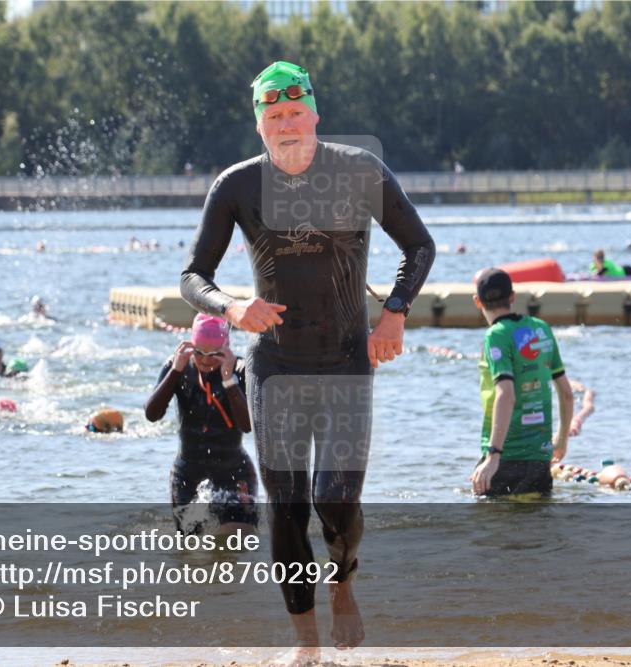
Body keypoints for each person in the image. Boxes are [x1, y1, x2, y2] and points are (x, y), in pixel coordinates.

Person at [180, 60, 435, 660]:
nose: (287, 124)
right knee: (288, 508)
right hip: (275, 365)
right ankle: (305, 644)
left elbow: (418, 244)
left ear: (315, 114)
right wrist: (231, 306)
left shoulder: (358, 169)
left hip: (346, 360)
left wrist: (395, 311)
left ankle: (343, 582)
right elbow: (193, 275)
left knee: (336, 502)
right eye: (274, 117)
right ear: (260, 127)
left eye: (295, 112)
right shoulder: (237, 186)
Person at [144, 314, 258, 537]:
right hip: (187, 475)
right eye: (199, 352)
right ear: (190, 346)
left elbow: (247, 425)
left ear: (226, 348)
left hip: (233, 473)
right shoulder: (177, 365)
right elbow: (152, 414)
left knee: (237, 543)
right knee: (189, 548)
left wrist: (229, 381)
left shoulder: (240, 369)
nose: (205, 361)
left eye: (214, 354)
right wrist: (175, 371)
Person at [470, 268, 573, 497]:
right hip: (540, 455)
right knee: (537, 517)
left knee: (490, 517)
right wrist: (561, 440)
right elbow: (566, 393)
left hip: (505, 455)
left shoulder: (496, 335)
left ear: (478, 302)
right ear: (512, 297)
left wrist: (493, 455)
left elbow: (506, 394)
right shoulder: (541, 328)